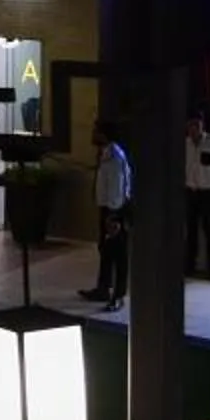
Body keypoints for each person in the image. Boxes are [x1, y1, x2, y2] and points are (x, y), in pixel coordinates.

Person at [80, 119, 132, 307]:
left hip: (114, 210)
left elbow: (117, 188)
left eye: (96, 130)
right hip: (107, 209)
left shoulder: (115, 157)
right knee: (106, 251)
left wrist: (113, 216)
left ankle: (118, 295)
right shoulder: (105, 154)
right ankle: (102, 288)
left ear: (103, 134)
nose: (92, 134)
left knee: (118, 254)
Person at [183, 113, 210, 279]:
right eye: (191, 126)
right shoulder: (185, 144)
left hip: (209, 193)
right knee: (190, 232)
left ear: (202, 126)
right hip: (191, 192)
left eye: (197, 125)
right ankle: (189, 267)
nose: (194, 129)